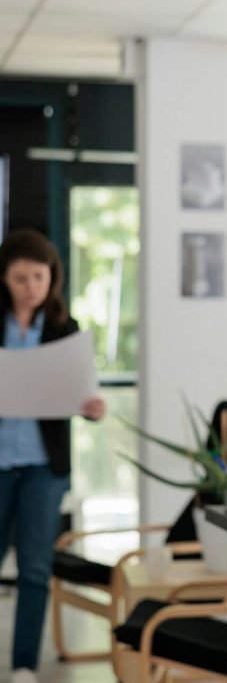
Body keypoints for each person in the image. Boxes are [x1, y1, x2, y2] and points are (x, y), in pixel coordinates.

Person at [0, 230, 106, 683]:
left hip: (44, 466)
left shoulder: (66, 329)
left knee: (35, 569)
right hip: (1, 462)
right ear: (4, 278)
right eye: (20, 278)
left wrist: (93, 407)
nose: (30, 287)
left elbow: (82, 394)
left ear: (51, 278)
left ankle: (24, 665)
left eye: (38, 277)